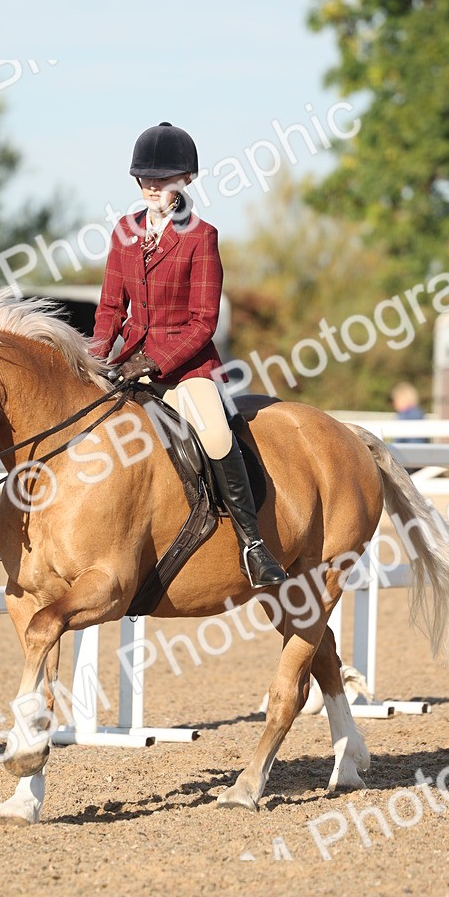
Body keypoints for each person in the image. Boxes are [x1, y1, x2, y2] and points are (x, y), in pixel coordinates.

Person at [90, 122, 287, 589]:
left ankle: (252, 545)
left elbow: (203, 321)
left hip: (185, 368)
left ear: (187, 181)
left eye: (165, 178)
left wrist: (154, 361)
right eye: (147, 178)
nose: (153, 186)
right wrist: (96, 359)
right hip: (129, 362)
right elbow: (110, 308)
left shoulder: (201, 236)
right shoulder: (123, 232)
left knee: (216, 435)